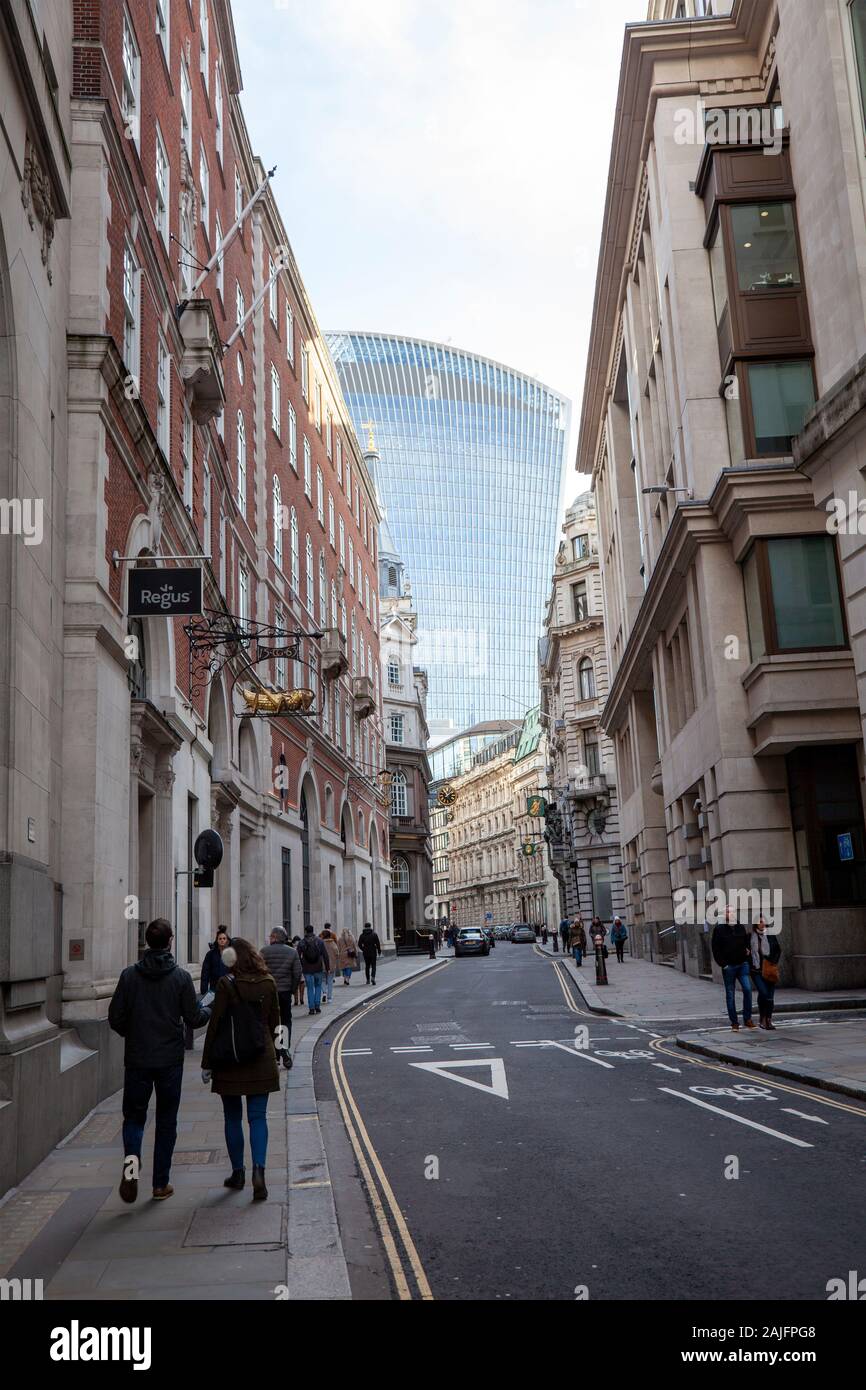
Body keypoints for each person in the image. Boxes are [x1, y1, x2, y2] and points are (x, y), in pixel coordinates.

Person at [108, 918, 211, 1204]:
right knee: (166, 1120)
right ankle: (160, 1184)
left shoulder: (129, 976)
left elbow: (115, 1018)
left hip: (138, 1058)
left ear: (146, 944)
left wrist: (134, 1033)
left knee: (134, 1118)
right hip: (169, 1061)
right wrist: (210, 1010)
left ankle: (131, 1167)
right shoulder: (179, 978)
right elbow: (193, 1018)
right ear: (170, 942)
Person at [201, 939, 280, 1201]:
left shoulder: (226, 984)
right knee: (258, 1117)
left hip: (230, 1058)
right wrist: (280, 1053)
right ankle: (259, 1170)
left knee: (232, 1118)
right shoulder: (268, 982)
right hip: (261, 1056)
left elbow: (215, 1024)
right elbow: (275, 1023)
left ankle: (238, 1173)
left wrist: (207, 1063)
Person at [261, 927, 301, 1069]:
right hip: (284, 992)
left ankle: (276, 1055)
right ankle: (284, 1049)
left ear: (274, 937)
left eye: (270, 936)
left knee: (270, 1022)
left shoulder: (264, 951)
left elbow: (260, 970)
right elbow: (297, 973)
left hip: (268, 992)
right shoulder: (292, 952)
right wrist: (292, 989)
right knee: (285, 1020)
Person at [711, 907, 755, 1032]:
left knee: (747, 990)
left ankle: (747, 1019)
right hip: (729, 967)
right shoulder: (719, 929)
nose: (731, 914)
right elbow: (715, 948)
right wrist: (723, 964)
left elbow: (746, 942)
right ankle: (734, 1023)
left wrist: (747, 952)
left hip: (742, 964)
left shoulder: (740, 927)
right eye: (728, 912)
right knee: (730, 995)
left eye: (733, 911)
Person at [750, 916, 781, 1030]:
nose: (762, 924)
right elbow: (748, 953)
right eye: (760, 922)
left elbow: (778, 950)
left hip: (769, 970)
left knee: (770, 997)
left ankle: (768, 1020)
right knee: (763, 993)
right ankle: (762, 1018)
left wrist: (773, 961)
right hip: (756, 970)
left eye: (764, 921)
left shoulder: (770, 935)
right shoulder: (751, 937)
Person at [298, 925, 329, 1013]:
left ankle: (311, 1008)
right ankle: (317, 1006)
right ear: (313, 930)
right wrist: (327, 967)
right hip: (318, 967)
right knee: (318, 986)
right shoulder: (320, 941)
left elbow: (297, 956)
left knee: (310, 988)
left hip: (307, 968)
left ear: (305, 931)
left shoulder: (302, 942)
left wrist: (301, 965)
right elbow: (325, 955)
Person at [201, 927, 232, 994]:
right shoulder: (210, 954)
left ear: (227, 940)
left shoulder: (231, 954)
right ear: (217, 940)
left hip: (228, 988)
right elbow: (205, 972)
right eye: (220, 939)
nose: (222, 940)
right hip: (214, 988)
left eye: (224, 938)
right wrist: (204, 990)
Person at [320, 925, 339, 1003]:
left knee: (323, 980)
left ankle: (324, 992)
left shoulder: (320, 943)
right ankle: (329, 998)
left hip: (322, 965)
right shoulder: (333, 944)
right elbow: (337, 954)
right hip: (331, 966)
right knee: (330, 981)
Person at [290, 937, 306, 1008]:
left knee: (295, 984)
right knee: (302, 983)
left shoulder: (291, 949)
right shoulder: (302, 948)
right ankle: (301, 999)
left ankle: (296, 1000)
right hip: (301, 967)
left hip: (293, 968)